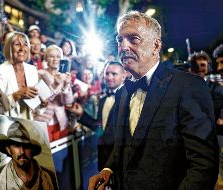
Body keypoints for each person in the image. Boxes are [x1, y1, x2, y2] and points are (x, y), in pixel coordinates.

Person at [88, 11, 219, 190]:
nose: (123, 46)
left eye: (133, 39)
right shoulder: (122, 92)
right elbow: (123, 146)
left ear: (156, 46)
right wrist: (108, 169)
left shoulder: (189, 87)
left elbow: (203, 166)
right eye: (120, 40)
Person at [72, 61, 126, 171]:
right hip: (104, 155)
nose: (109, 77)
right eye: (107, 73)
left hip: (123, 158)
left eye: (114, 74)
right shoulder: (102, 100)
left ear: (123, 76)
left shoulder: (130, 99)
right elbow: (100, 128)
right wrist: (82, 114)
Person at [0, 121, 59, 190]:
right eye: (16, 145)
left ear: (31, 150)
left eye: (26, 146)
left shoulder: (48, 177)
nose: (22, 152)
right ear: (8, 150)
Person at [0, 31, 39, 120]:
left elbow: (35, 107)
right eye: (17, 44)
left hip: (28, 124)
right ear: (9, 48)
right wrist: (16, 95)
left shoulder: (32, 70)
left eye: (25, 44)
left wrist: (42, 104)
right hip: (7, 124)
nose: (22, 48)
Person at [33, 45, 74, 141]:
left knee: (60, 153)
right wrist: (56, 84)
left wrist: (66, 85)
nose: (55, 59)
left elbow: (68, 101)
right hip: (42, 120)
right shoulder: (40, 74)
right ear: (46, 58)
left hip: (61, 122)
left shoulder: (64, 75)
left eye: (58, 56)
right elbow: (43, 99)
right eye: (52, 56)